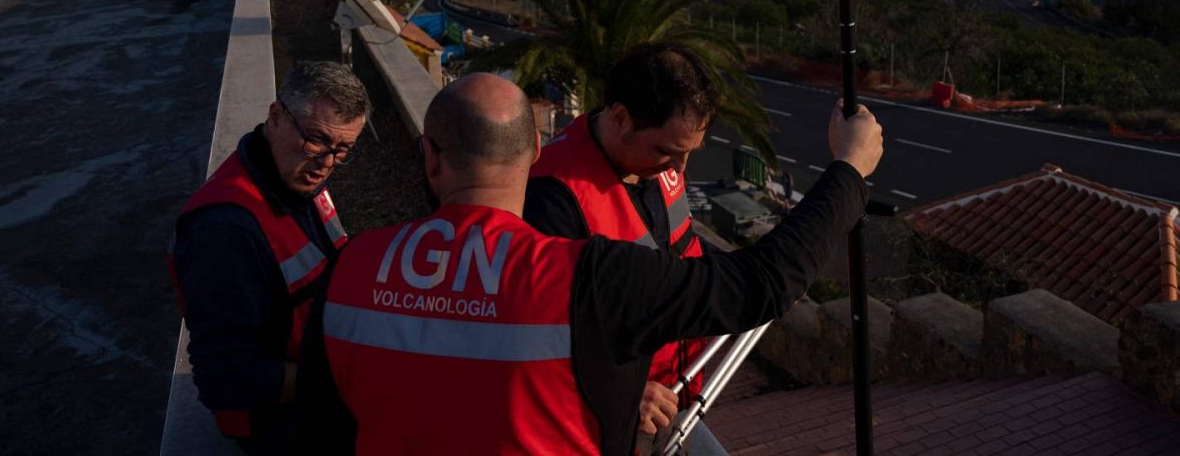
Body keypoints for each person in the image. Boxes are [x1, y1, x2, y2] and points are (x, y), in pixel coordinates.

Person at [297, 72, 882, 456]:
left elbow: (322, 429)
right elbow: (763, 283)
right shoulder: (592, 278)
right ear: (531, 154)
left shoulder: (349, 271)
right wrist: (848, 172)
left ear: (429, 155)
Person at [523, 43, 720, 449]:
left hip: (676, 394)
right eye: (667, 151)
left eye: (688, 152)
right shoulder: (552, 196)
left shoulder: (656, 162)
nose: (681, 168)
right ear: (621, 118)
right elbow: (537, 334)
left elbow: (678, 248)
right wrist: (626, 392)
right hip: (613, 419)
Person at [170, 61, 369, 452]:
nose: (327, 163)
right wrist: (336, 371)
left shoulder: (295, 178)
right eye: (316, 140)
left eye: (342, 149)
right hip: (284, 426)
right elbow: (226, 380)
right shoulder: (224, 232)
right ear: (276, 116)